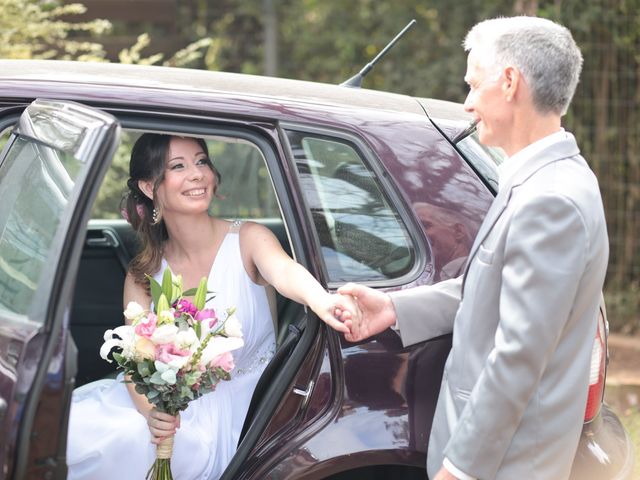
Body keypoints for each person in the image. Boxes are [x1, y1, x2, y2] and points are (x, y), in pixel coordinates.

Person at [339, 16, 608, 480]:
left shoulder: (551, 200)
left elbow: (518, 355)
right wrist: (394, 308)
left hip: (506, 465)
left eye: (472, 83)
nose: (466, 104)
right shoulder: (538, 179)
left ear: (509, 83)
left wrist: (462, 469)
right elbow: (487, 289)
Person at [67, 133, 353, 480]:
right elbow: (135, 363)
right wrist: (153, 413)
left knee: (118, 443)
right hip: (170, 411)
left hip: (241, 412)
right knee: (71, 431)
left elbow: (284, 271)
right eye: (178, 166)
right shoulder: (143, 274)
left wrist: (322, 300)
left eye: (202, 161)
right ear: (147, 186)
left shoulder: (248, 238)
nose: (197, 173)